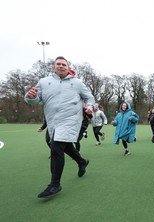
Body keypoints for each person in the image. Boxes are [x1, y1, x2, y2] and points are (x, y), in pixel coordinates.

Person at [25, 56, 94, 198]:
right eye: (58, 64)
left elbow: (89, 98)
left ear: (68, 68)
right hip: (52, 121)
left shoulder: (77, 83)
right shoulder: (44, 82)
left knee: (56, 147)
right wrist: (30, 97)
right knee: (64, 146)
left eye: (64, 64)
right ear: (53, 67)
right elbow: (34, 100)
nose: (61, 66)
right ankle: (82, 161)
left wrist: (90, 107)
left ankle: (54, 184)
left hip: (70, 120)